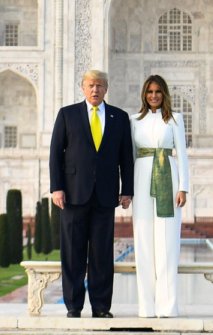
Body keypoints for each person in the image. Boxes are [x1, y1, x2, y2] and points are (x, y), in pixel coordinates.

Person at [49, 69, 134, 318]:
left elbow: (125, 158)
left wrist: (126, 190)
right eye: (90, 85)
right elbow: (55, 154)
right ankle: (74, 306)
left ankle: (100, 306)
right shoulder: (68, 114)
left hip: (105, 195)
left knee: (102, 254)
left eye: (99, 85)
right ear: (83, 88)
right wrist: (57, 188)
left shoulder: (119, 117)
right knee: (73, 252)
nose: (95, 90)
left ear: (106, 88)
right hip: (74, 194)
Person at [130, 75, 190, 318]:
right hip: (142, 176)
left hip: (167, 175)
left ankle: (166, 307)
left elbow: (182, 153)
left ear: (164, 94)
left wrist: (183, 187)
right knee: (143, 242)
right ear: (144, 94)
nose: (153, 96)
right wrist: (127, 189)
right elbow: (130, 155)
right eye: (149, 92)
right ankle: (146, 306)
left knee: (167, 243)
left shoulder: (175, 119)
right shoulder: (134, 120)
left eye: (158, 92)